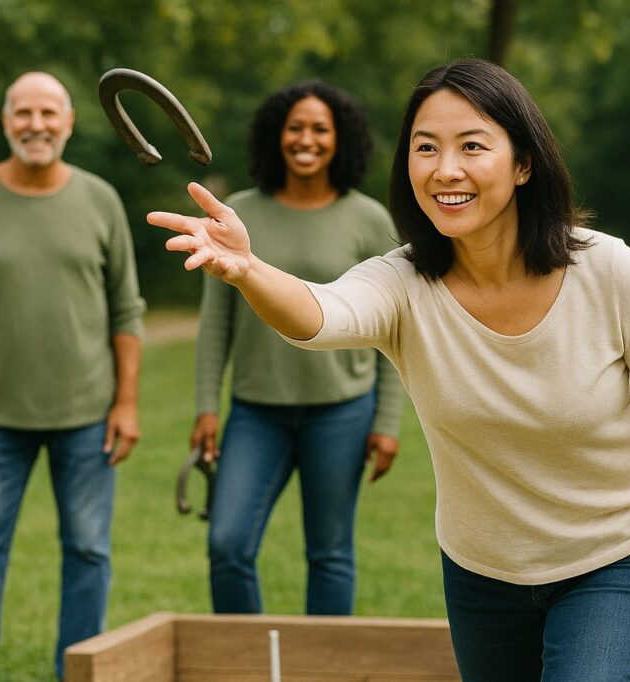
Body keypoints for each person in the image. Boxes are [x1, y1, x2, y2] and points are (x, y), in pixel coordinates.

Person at [149, 59, 630, 681]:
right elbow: (320, 314)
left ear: (524, 163)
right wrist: (248, 269)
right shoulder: (403, 283)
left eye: (472, 146)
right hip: (483, 573)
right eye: (426, 148)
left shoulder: (608, 273)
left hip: (616, 556)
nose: (445, 169)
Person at [0, 72, 145, 682]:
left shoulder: (100, 200)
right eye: (23, 112)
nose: (36, 124)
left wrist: (126, 403)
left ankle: (80, 672)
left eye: (48, 112)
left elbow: (126, 309)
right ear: (6, 121)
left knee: (89, 552)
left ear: (68, 122)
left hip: (88, 414)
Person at [191, 80, 404, 615]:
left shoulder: (367, 218)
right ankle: (242, 668)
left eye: (320, 129)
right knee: (227, 544)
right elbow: (216, 321)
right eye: (295, 127)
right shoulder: (239, 212)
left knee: (329, 553)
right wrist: (206, 406)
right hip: (256, 411)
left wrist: (388, 421)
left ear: (341, 140)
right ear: (275, 136)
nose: (306, 139)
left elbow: (393, 324)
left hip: (342, 412)